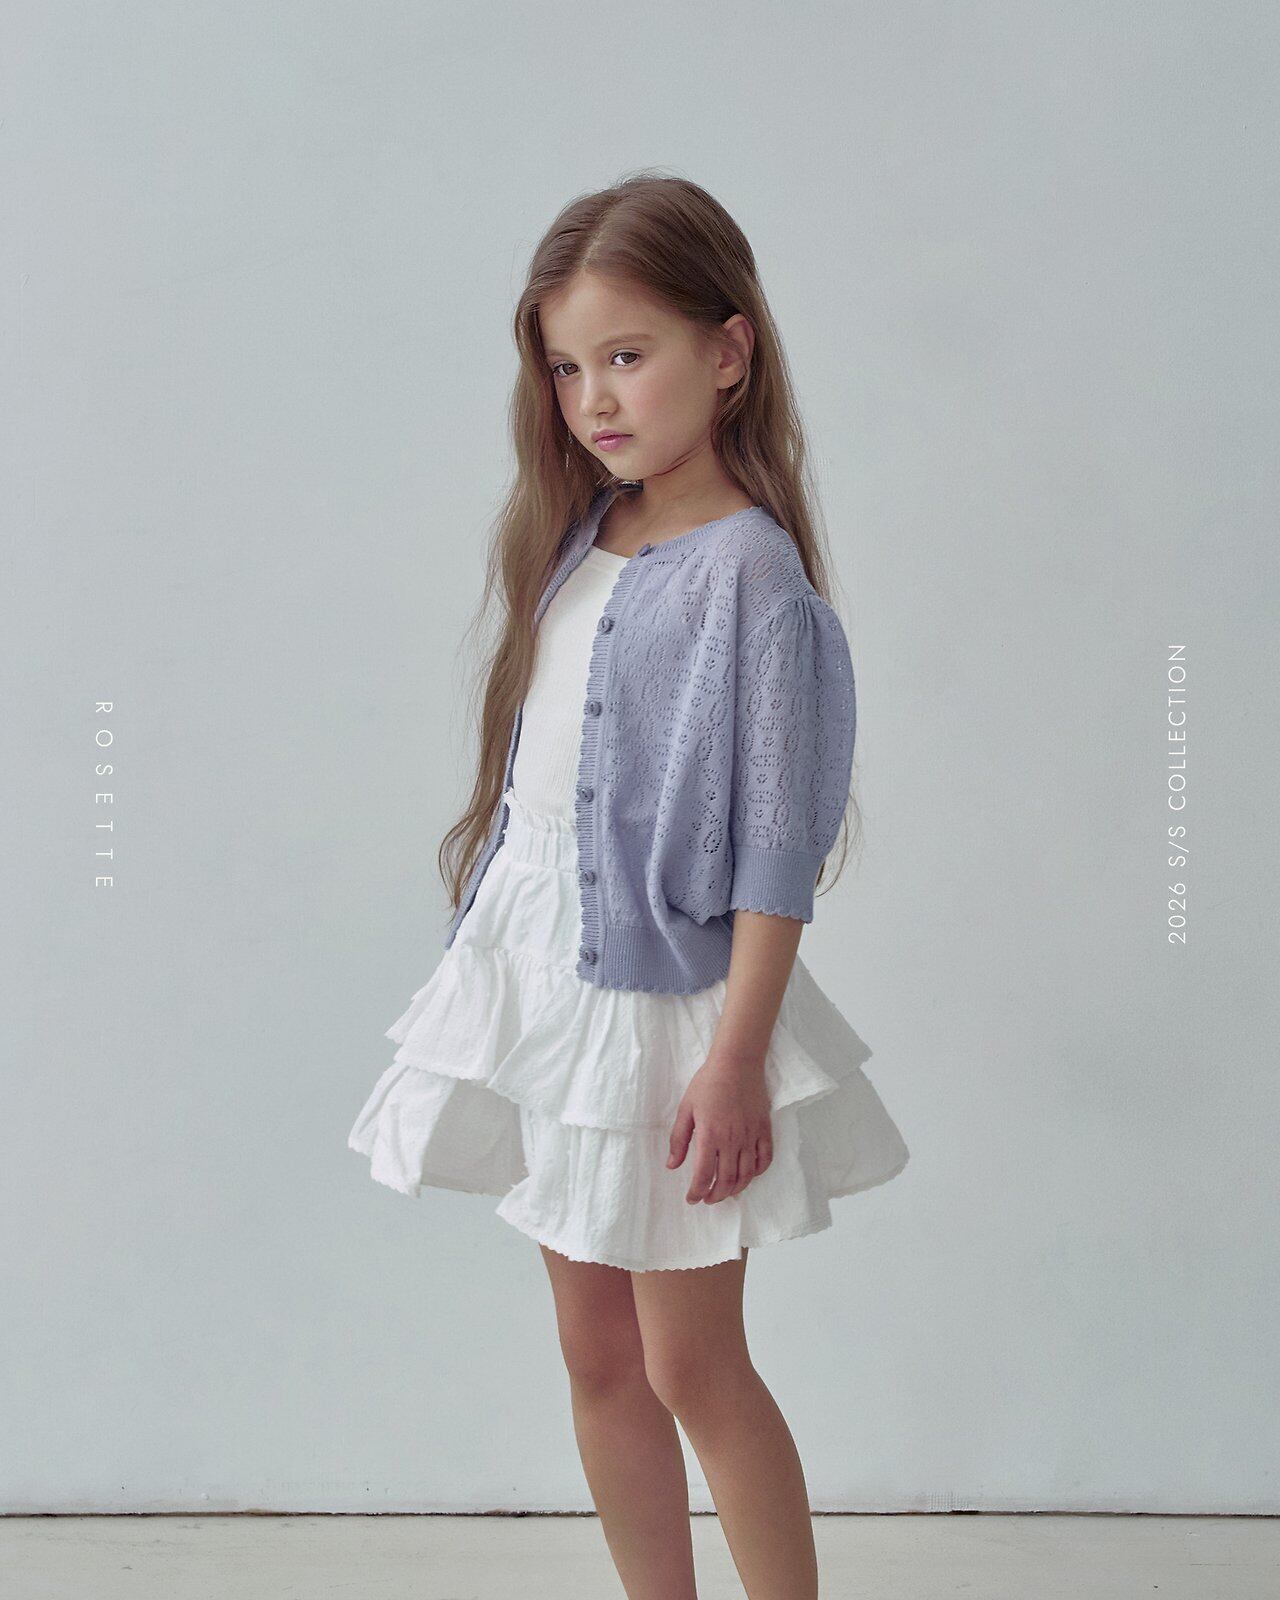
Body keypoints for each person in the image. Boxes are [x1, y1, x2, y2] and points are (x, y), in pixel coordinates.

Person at [348, 171, 909, 1599]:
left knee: (690, 1361)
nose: (592, 397)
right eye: (565, 367)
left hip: (670, 1007)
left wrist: (735, 1059)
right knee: (595, 1354)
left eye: (626, 354)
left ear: (729, 352)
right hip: (550, 980)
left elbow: (777, 856)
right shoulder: (580, 535)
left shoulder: (753, 581)